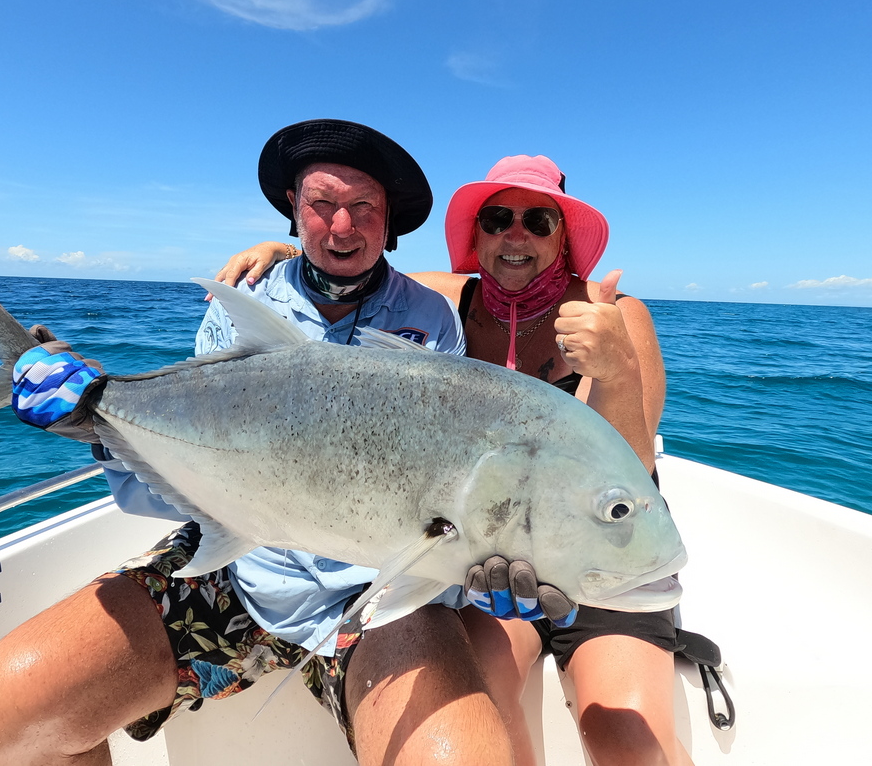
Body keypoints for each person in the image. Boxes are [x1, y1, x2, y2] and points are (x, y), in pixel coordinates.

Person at [0, 121, 568, 766]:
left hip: (378, 598)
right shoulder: (242, 303)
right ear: (293, 214)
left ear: (388, 224)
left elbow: (436, 489)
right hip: (238, 571)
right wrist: (95, 421)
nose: (341, 226)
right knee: (8, 714)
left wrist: (489, 556)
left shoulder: (430, 318)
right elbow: (188, 485)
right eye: (321, 204)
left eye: (363, 207)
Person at [218, 154, 691, 766]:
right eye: (497, 218)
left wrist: (616, 366)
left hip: (607, 568)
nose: (515, 234)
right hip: (494, 571)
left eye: (538, 220)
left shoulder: (616, 316)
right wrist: (281, 251)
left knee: (628, 744)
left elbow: (629, 473)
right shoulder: (449, 298)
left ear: (564, 237)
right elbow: (347, 256)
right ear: (477, 236)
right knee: (480, 705)